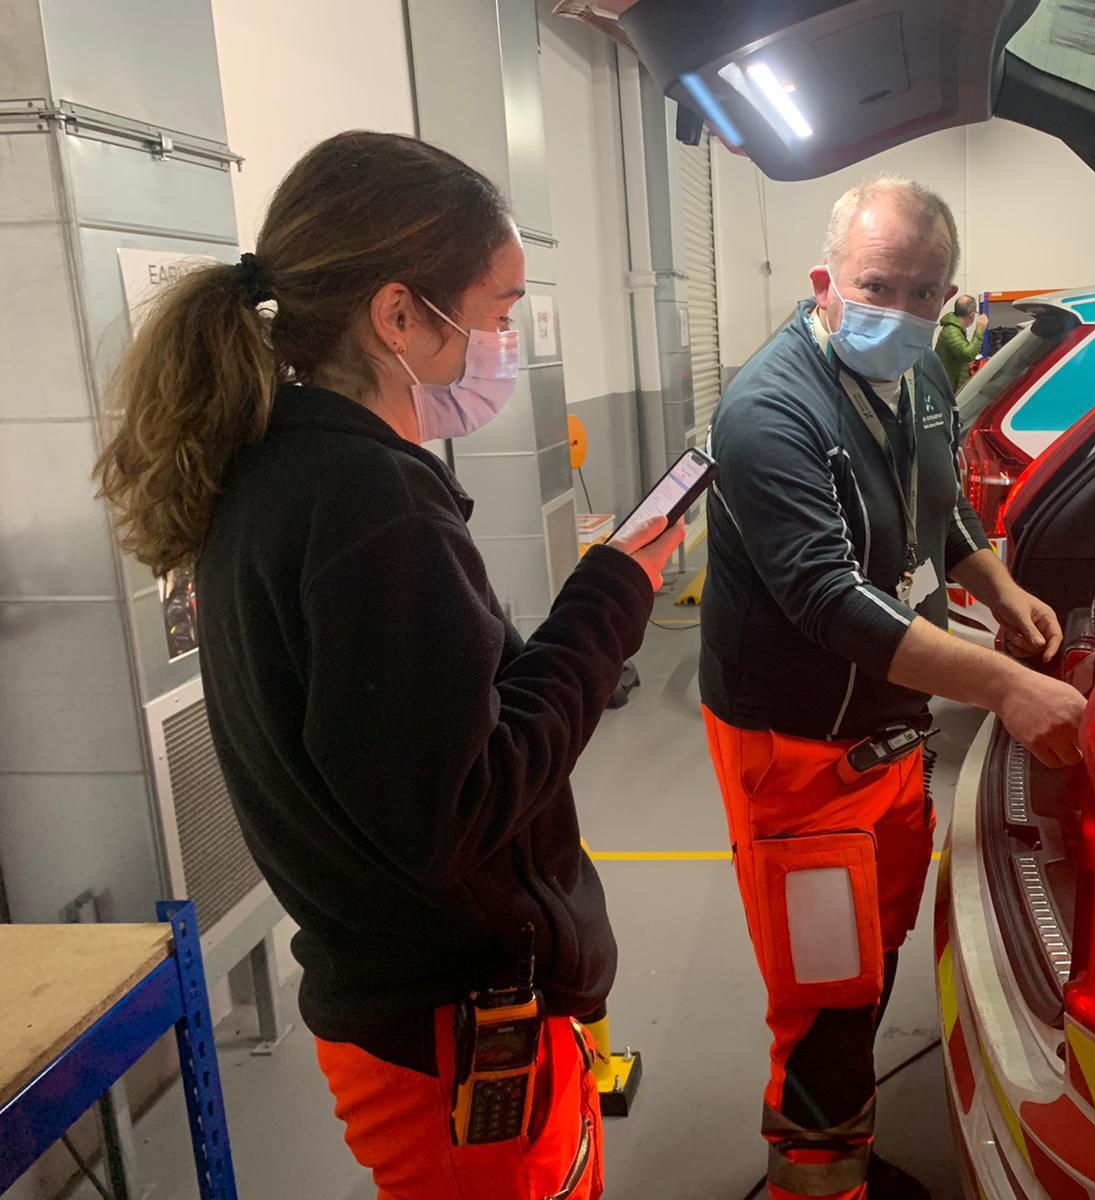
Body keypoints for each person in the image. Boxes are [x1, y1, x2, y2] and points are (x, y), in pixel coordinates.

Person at [94, 130, 683, 1199]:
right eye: (497, 314)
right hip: (455, 1032)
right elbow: (460, 807)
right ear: (401, 315)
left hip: (401, 1012)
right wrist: (613, 597)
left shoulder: (286, 473)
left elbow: (433, 740)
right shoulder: (369, 504)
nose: (505, 343)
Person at [699, 176, 1086, 1200]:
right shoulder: (766, 413)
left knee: (873, 955)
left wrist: (997, 586)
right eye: (879, 286)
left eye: (926, 293)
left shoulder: (913, 380)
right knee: (826, 995)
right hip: (796, 750)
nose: (904, 313)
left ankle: (843, 1160)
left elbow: (938, 507)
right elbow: (827, 600)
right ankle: (812, 1189)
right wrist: (1004, 684)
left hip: (883, 733)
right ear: (826, 281)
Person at [934, 293, 987, 393]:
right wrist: (979, 330)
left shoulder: (955, 329)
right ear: (971, 315)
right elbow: (967, 354)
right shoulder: (951, 331)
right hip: (945, 389)